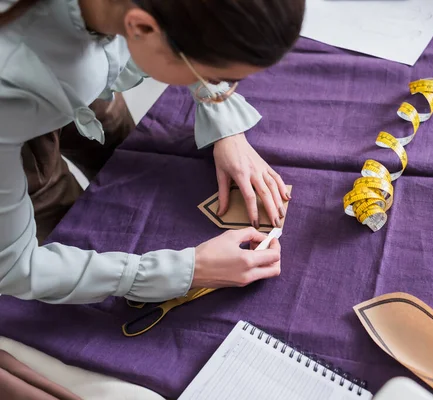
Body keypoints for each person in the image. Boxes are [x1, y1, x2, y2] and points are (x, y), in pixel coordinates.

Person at [0, 0, 305, 304]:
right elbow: (15, 267)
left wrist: (227, 128)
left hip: (76, 70)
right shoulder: (12, 87)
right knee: (65, 220)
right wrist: (186, 271)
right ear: (141, 27)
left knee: (119, 144)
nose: (218, 87)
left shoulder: (118, 25)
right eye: (212, 77)